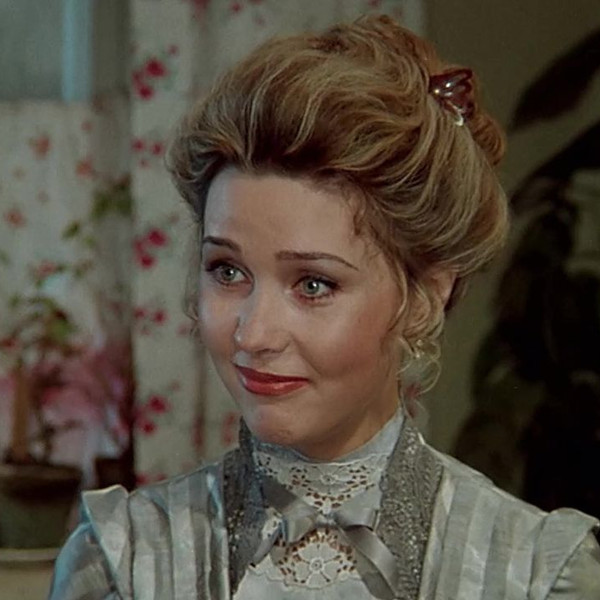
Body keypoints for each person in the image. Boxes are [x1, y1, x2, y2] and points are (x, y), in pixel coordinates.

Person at [48, 15, 600, 599]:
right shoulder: (123, 559)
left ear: (425, 296)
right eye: (228, 271)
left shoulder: (534, 572)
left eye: (313, 284)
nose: (254, 334)